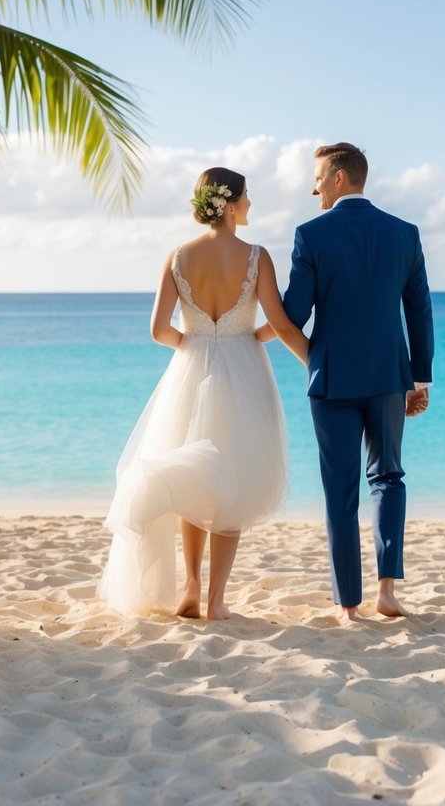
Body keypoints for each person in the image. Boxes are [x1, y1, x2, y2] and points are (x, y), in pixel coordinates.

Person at [98, 167, 308, 620]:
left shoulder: (177, 257)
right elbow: (282, 323)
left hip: (188, 372)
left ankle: (190, 587)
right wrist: (251, 337)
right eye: (247, 196)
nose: (251, 204)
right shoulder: (256, 256)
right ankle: (216, 601)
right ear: (230, 205)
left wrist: (193, 345)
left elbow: (158, 331)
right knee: (233, 480)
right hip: (244, 369)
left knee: (192, 475)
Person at [282, 143, 434, 623]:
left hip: (332, 380)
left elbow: (294, 315)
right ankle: (387, 591)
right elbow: (419, 310)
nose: (315, 187)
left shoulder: (310, 235)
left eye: (319, 178)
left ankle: (349, 605)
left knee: (340, 490)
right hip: (390, 375)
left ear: (340, 178)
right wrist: (419, 377)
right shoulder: (404, 234)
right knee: (388, 476)